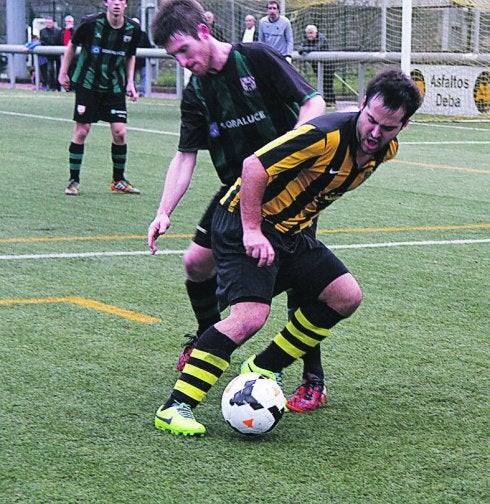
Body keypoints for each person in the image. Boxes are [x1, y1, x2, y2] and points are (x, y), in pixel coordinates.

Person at [153, 68, 423, 436]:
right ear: (362, 105)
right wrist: (251, 230)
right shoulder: (323, 135)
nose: (376, 132)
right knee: (249, 317)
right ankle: (175, 407)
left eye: (388, 127)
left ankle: (264, 366)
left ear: (404, 125)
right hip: (243, 223)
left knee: (346, 296)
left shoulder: (385, 150)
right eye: (371, 120)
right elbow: (254, 166)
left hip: (291, 233)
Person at [147, 0, 326, 410]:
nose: (182, 62)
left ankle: (312, 377)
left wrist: (292, 148)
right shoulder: (196, 93)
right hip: (237, 192)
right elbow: (185, 156)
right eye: (174, 56)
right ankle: (209, 337)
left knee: (300, 280)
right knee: (196, 263)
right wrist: (163, 210)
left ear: (204, 32)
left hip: (290, 191)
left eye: (184, 50)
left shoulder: (256, 58)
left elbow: (313, 102)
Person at [58, 0, 141, 197]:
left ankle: (118, 180)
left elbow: (130, 55)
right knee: (82, 131)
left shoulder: (133, 29)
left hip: (114, 86)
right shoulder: (90, 23)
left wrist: (130, 82)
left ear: (125, 4)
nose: (117, 4)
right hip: (88, 83)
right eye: (113, 0)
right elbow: (72, 45)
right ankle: (73, 180)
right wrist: (63, 73)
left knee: (120, 132)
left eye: (121, 0)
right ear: (106, 3)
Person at [297, 24, 336, 106]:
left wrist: (305, 50)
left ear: (316, 33)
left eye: (311, 33)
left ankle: (331, 102)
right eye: (308, 33)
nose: (310, 35)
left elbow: (317, 48)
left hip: (328, 65)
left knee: (328, 84)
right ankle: (324, 101)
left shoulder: (321, 38)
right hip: (316, 65)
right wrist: (305, 49)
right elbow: (300, 49)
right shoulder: (306, 40)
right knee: (320, 82)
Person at [131, 18, 153, 97]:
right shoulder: (127, 33)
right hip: (131, 60)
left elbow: (148, 46)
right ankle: (132, 91)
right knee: (131, 77)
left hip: (142, 61)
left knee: (144, 76)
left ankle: (142, 92)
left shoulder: (143, 35)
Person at [40, 16, 62, 91]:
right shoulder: (42, 31)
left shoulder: (58, 31)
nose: (48, 24)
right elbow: (42, 42)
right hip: (48, 55)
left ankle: (58, 86)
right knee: (50, 70)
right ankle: (51, 86)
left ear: (53, 23)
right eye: (47, 22)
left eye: (50, 22)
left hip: (57, 54)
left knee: (59, 70)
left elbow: (60, 42)